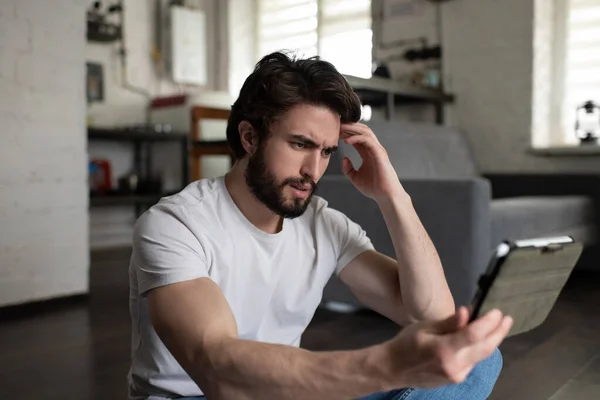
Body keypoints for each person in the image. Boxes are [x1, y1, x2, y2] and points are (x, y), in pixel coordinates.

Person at [127, 51, 513, 400]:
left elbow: (433, 317)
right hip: (199, 397)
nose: (313, 171)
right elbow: (218, 369)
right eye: (299, 144)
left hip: (281, 393)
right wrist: (386, 366)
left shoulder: (322, 224)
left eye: (327, 151)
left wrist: (392, 195)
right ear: (249, 137)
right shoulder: (175, 225)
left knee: (477, 361)